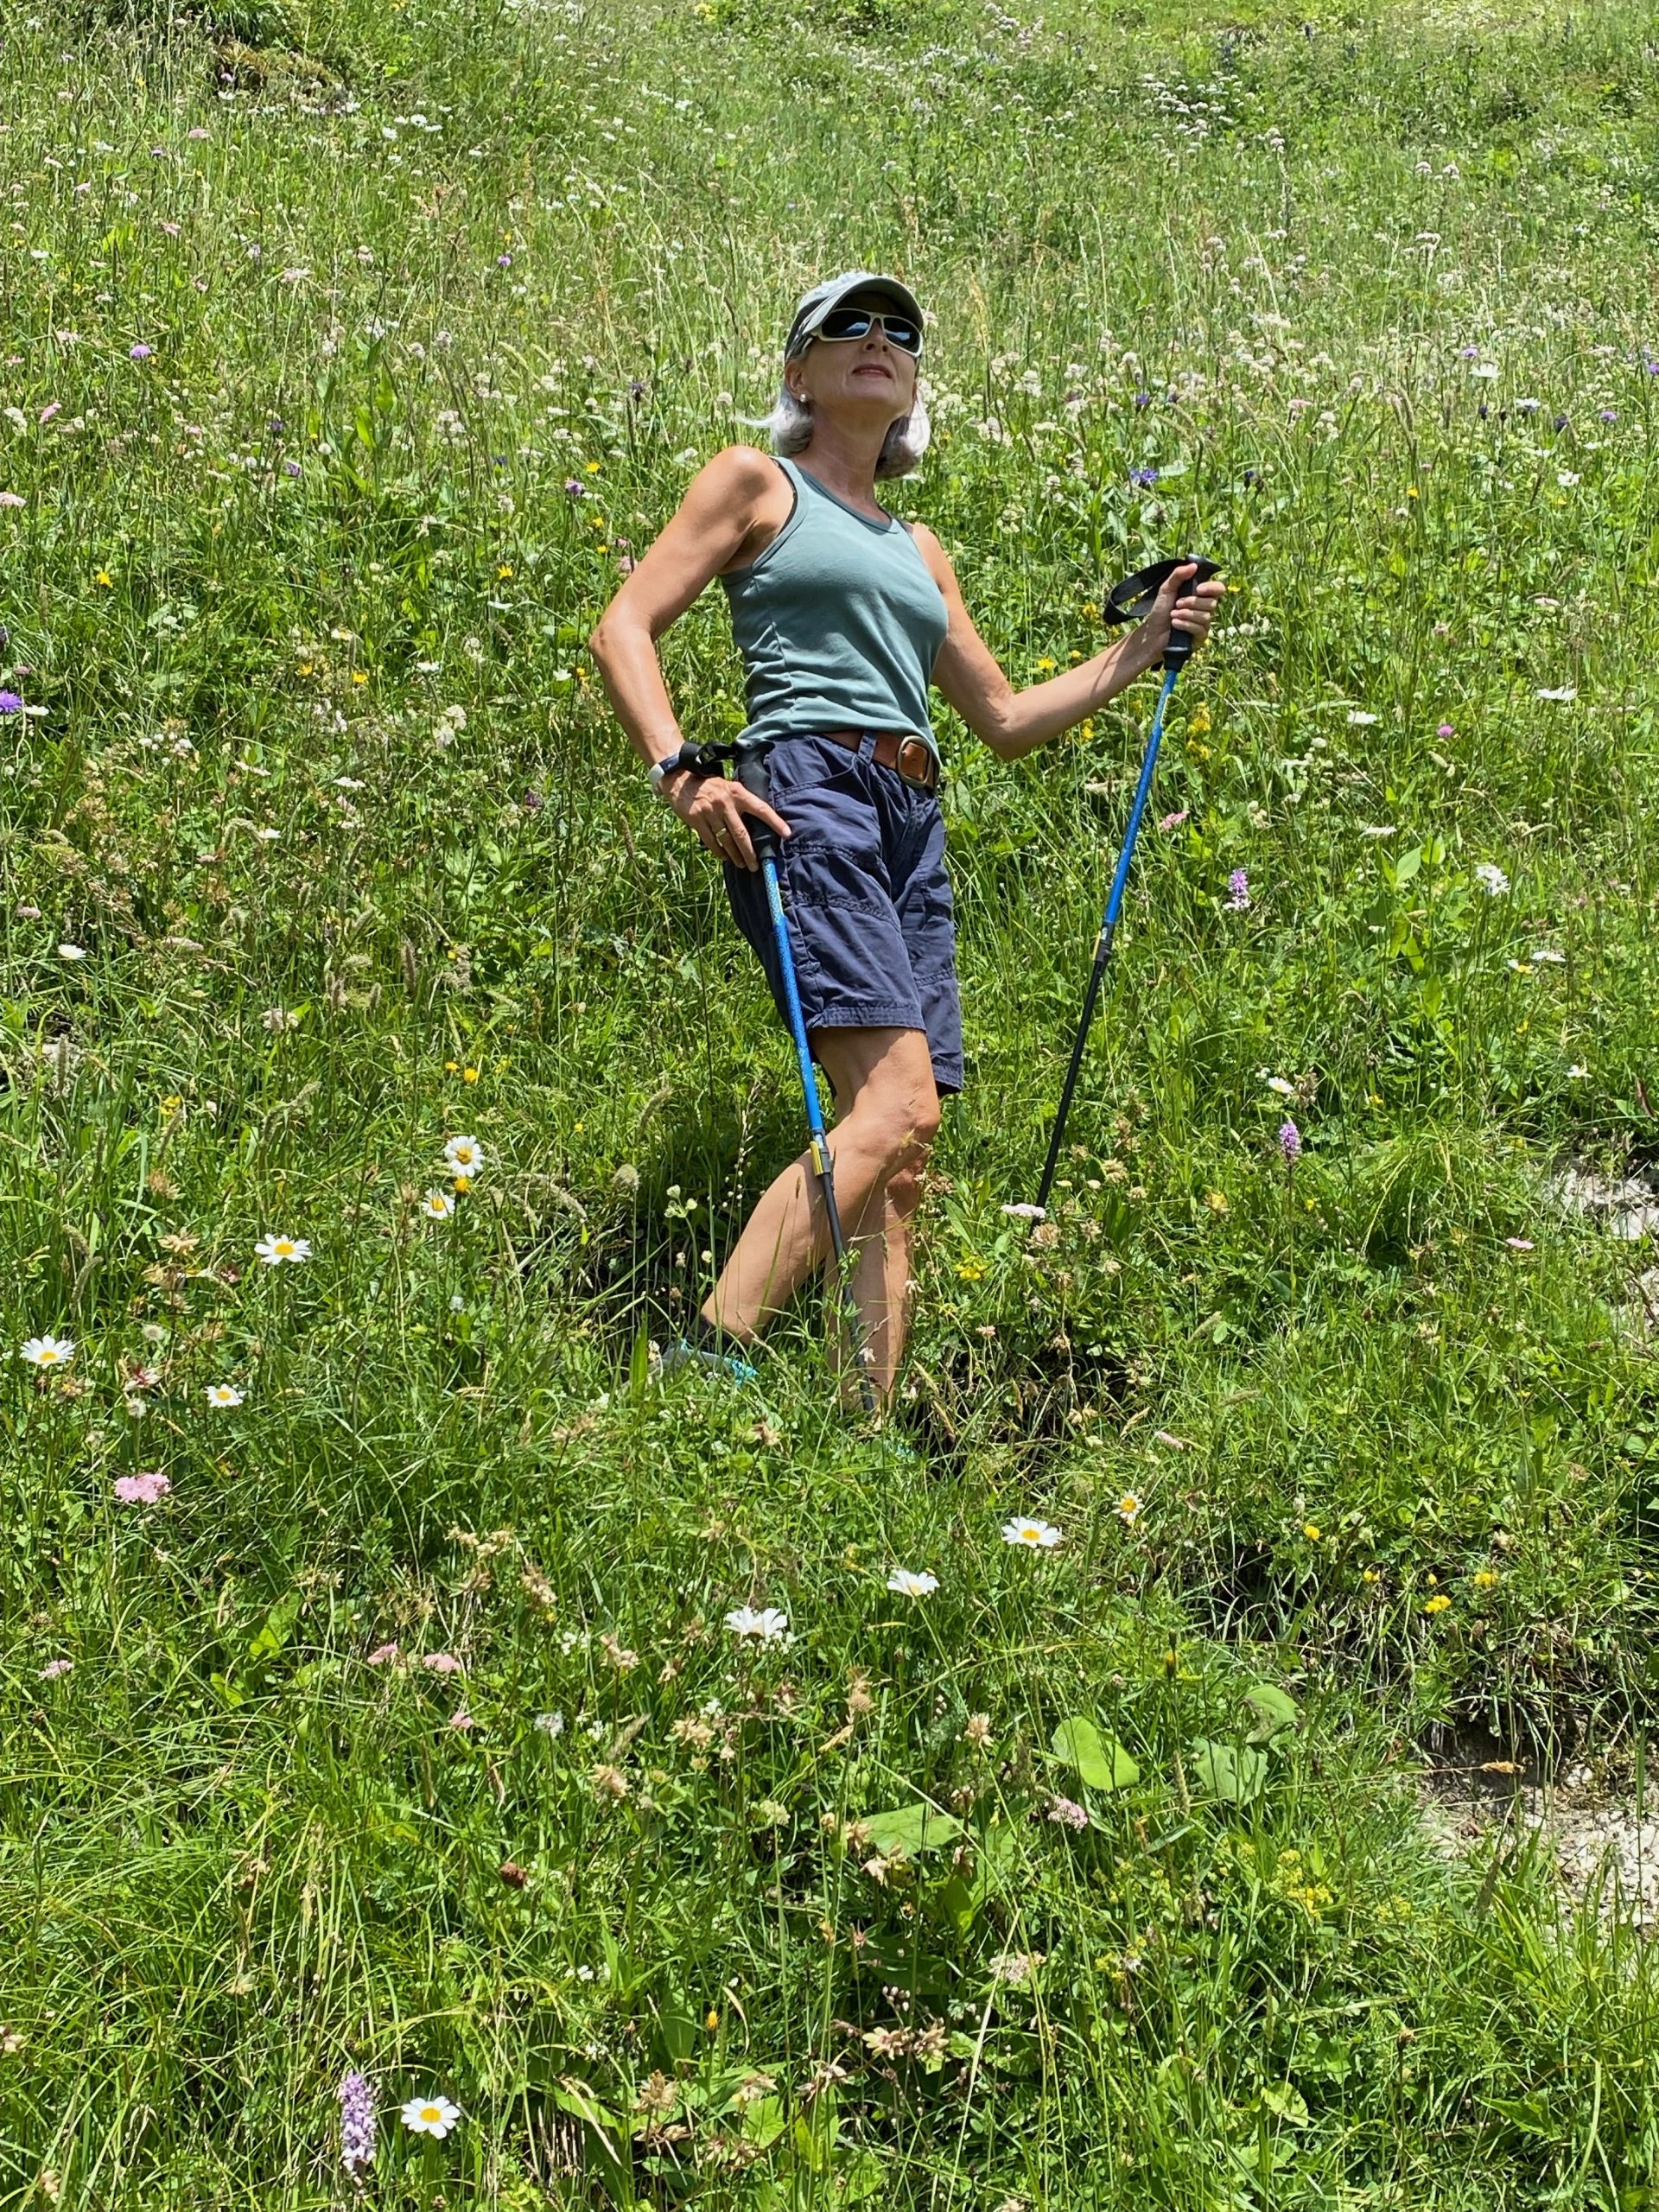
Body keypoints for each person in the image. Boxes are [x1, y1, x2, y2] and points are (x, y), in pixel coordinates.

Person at [589, 270, 1224, 1398]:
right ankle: (704, 1371)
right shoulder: (758, 483)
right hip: (812, 788)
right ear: (801, 374)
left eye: (901, 331)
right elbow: (623, 625)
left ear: (915, 386)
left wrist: (1145, 646)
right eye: (849, 326)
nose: (878, 339)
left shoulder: (921, 547)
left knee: (904, 1153)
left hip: (910, 812)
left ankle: (863, 1429)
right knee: (897, 1106)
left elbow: (1007, 720)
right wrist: (681, 772)